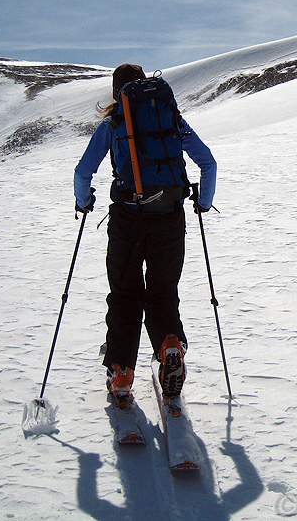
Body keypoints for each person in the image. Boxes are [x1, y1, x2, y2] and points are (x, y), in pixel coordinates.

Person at [74, 64, 216, 407]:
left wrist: (84, 202)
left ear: (117, 92)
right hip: (169, 216)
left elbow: (83, 171)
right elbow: (208, 162)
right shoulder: (171, 120)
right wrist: (204, 202)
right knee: (163, 291)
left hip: (127, 219)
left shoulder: (113, 124)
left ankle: (121, 372)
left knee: (124, 295)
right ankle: (169, 345)